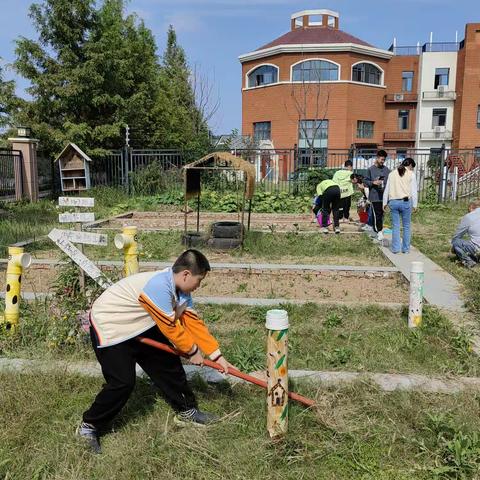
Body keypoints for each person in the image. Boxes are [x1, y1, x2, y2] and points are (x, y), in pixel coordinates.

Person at [77, 249, 235, 453]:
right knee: (122, 382)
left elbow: (192, 322)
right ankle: (89, 426)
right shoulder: (158, 286)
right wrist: (193, 350)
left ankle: (186, 411)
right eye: (199, 280)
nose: (199, 286)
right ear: (186, 274)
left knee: (167, 364)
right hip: (111, 325)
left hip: (139, 324)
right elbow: (170, 327)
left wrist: (217, 355)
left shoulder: (182, 291)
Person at [383, 158, 418, 254]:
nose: (412, 169)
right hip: (406, 202)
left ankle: (395, 249)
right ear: (410, 165)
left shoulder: (392, 174)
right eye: (412, 167)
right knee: (406, 226)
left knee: (395, 226)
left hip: (393, 202)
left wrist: (384, 203)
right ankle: (405, 249)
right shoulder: (411, 174)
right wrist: (415, 204)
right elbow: (414, 191)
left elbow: (387, 189)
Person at [363, 149, 391, 241]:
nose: (383, 162)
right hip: (375, 197)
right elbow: (365, 181)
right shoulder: (370, 169)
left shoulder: (387, 170)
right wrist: (373, 182)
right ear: (377, 158)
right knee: (377, 215)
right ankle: (378, 231)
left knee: (381, 215)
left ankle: (378, 230)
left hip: (384, 196)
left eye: (384, 160)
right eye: (381, 159)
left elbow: (390, 182)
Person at [451, 199, 480, 268]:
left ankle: (469, 261)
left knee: (456, 242)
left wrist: (453, 246)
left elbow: (457, 235)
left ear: (471, 206)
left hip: (477, 249)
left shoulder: (469, 216)